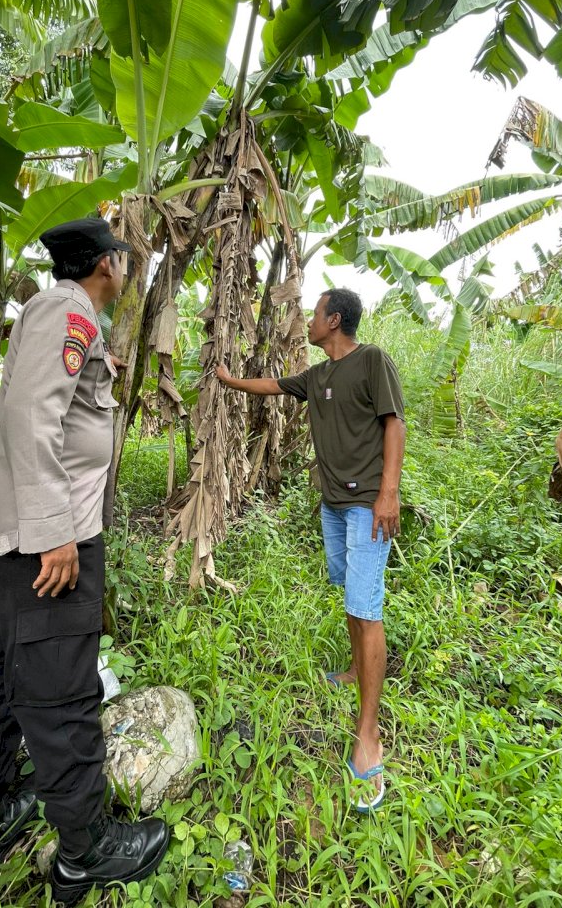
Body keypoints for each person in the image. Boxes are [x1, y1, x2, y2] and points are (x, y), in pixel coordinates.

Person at [0, 218, 169, 903]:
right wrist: (55, 533)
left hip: (23, 537)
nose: (127, 267)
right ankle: (86, 851)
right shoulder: (69, 311)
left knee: (2, 675)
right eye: (125, 258)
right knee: (61, 689)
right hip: (45, 542)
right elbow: (28, 418)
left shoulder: (64, 313)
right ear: (107, 264)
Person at [216, 288, 405, 812]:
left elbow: (395, 422)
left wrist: (389, 492)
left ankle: (368, 734)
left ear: (334, 319)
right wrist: (230, 380)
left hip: (369, 504)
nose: (308, 320)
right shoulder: (317, 375)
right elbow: (273, 386)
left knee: (366, 608)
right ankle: (353, 668)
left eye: (314, 313)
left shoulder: (372, 361)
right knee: (350, 594)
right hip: (333, 506)